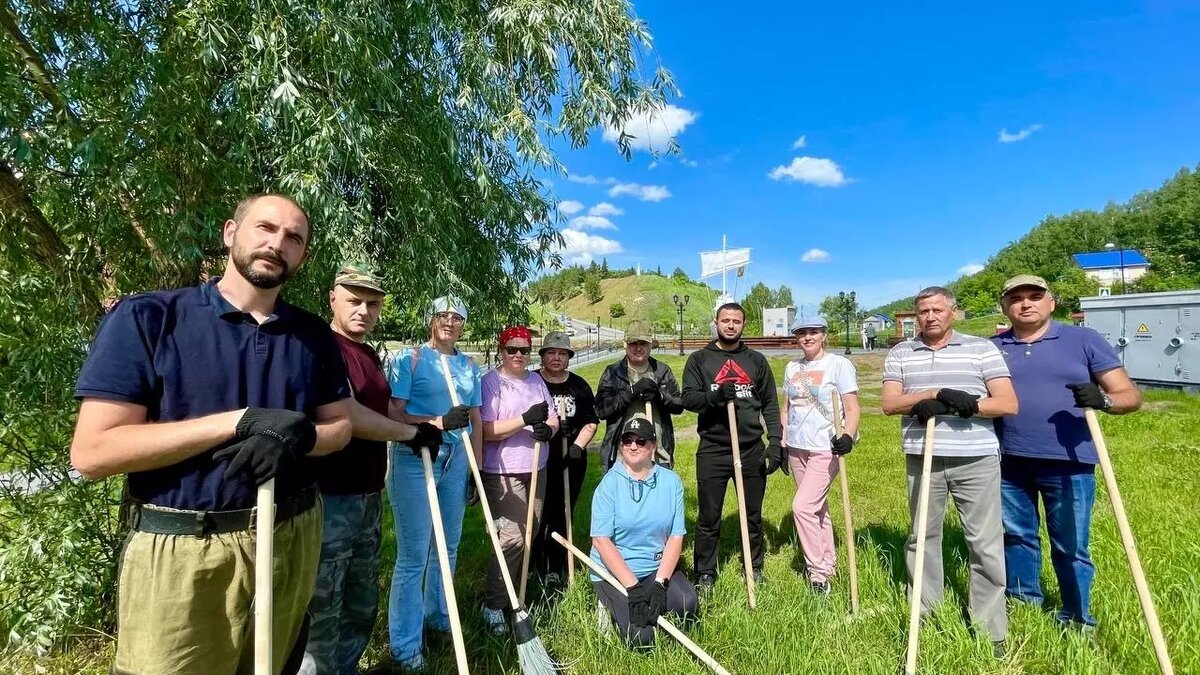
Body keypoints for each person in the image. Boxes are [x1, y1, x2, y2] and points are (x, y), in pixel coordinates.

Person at [70, 194, 353, 674]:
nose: (276, 243)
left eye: (293, 238)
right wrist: (238, 421)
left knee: (274, 664)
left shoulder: (311, 334)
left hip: (291, 535)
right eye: (264, 228)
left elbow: (341, 426)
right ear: (230, 233)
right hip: (185, 549)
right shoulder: (148, 319)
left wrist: (302, 436)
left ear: (303, 255)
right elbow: (93, 452)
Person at [301, 263, 444, 675]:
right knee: (322, 607)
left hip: (366, 494)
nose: (363, 310)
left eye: (372, 304)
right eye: (354, 301)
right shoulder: (321, 347)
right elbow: (352, 417)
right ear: (333, 298)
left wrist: (424, 427)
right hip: (328, 496)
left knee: (360, 601)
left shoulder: (366, 353)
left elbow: (384, 412)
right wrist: (410, 436)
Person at [991, 275, 1142, 633]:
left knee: (1072, 544)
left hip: (1069, 462)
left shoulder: (1083, 339)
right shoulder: (992, 347)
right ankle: (1025, 605)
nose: (1025, 304)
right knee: (1015, 536)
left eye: (1034, 296)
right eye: (1016, 299)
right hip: (1007, 460)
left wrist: (1103, 400)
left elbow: (1129, 395)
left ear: (1051, 302)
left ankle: (1077, 616)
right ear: (1005, 308)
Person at [881, 286, 1018, 658]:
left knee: (985, 542)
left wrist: (968, 406)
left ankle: (990, 628)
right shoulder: (900, 352)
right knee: (922, 536)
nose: (930, 317)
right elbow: (891, 403)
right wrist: (931, 394)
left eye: (937, 310)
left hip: (975, 457)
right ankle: (924, 613)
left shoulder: (981, 349)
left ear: (953, 312)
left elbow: (1007, 403)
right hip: (923, 454)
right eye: (923, 311)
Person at [384, 296, 482, 669]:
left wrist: (477, 468)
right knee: (414, 554)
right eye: (442, 315)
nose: (450, 322)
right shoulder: (408, 359)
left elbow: (475, 420)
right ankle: (405, 646)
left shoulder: (469, 367)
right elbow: (394, 412)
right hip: (416, 456)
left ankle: (440, 617)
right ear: (431, 320)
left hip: (456, 459)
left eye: (457, 317)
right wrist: (438, 422)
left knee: (449, 546)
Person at [681, 303, 782, 591]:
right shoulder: (700, 360)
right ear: (716, 322)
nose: (730, 325)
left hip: (750, 448)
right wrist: (713, 397)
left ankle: (754, 566)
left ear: (744, 325)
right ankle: (705, 573)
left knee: (751, 514)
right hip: (713, 448)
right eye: (725, 320)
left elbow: (770, 405)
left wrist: (774, 442)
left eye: (736, 321)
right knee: (709, 515)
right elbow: (687, 399)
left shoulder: (756, 361)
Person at [590, 415, 698, 649]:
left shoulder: (671, 482)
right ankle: (605, 605)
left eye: (641, 441)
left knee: (686, 603)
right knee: (642, 638)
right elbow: (601, 541)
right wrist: (632, 587)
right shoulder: (608, 485)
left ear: (653, 446)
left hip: (653, 568)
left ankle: (652, 595)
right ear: (621, 445)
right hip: (615, 572)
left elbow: (676, 536)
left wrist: (660, 583)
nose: (633, 446)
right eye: (627, 440)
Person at [479, 325, 559, 632]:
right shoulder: (491, 382)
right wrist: (524, 420)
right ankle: (494, 603)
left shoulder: (536, 379)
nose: (518, 355)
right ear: (501, 350)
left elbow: (551, 416)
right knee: (512, 537)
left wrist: (547, 429)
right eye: (511, 349)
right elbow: (486, 430)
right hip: (503, 470)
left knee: (530, 533)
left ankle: (517, 594)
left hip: (537, 465)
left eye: (524, 350)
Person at [781, 316, 860, 595]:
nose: (807, 337)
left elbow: (852, 408)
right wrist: (783, 440)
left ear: (824, 334)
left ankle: (818, 575)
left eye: (813, 332)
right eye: (802, 333)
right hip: (797, 445)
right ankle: (829, 562)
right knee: (817, 508)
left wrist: (848, 435)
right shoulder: (792, 367)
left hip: (826, 446)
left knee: (801, 507)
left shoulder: (839, 365)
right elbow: (787, 406)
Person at [532, 331, 599, 587]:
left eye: (562, 353)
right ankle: (533, 563)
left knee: (562, 512)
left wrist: (578, 447)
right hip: (538, 457)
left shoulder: (579, 385)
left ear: (569, 358)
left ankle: (556, 565)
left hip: (570, 459)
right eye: (551, 352)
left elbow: (591, 421)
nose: (557, 357)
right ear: (543, 356)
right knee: (538, 512)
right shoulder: (532, 381)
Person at [594, 319, 685, 470]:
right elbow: (601, 410)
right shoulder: (613, 372)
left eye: (643, 344)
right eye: (633, 344)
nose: (638, 348)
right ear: (625, 344)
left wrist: (660, 397)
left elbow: (679, 405)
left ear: (651, 344)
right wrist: (630, 393)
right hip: (620, 457)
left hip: (658, 456)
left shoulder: (661, 371)